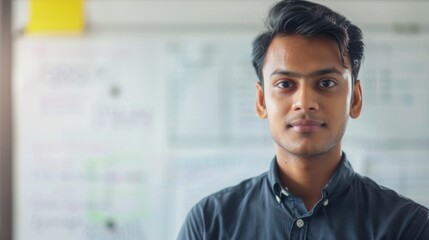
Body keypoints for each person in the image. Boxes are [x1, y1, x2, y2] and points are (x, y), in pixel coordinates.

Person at [177, 0, 429, 239]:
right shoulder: (210, 224)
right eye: (285, 84)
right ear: (262, 100)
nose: (304, 102)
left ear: (355, 99)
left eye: (326, 83)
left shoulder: (407, 226)